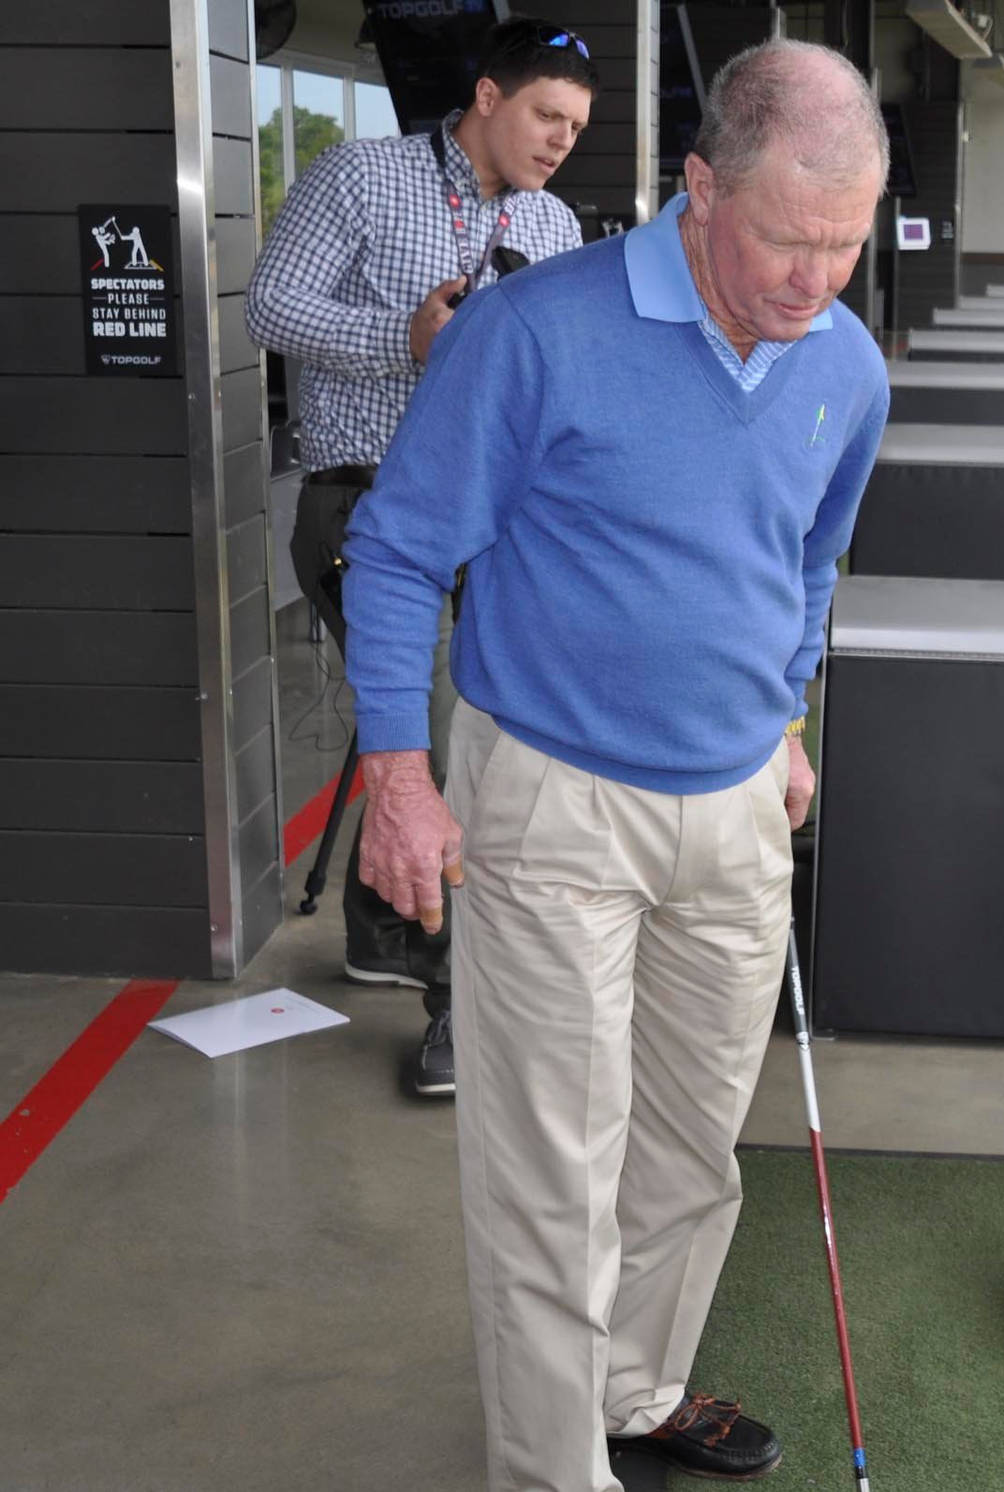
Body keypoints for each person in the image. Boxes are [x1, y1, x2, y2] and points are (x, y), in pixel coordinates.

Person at [341, 39, 889, 1489]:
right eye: (785, 239)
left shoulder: (847, 363)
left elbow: (807, 560)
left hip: (733, 808)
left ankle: (634, 1390)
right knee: (553, 1181)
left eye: (844, 246)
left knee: (691, 1155)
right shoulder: (535, 333)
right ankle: (549, 1470)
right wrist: (399, 776)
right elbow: (395, 550)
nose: (812, 281)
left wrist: (783, 717)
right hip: (552, 800)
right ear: (701, 188)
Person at [244, 19, 595, 1094]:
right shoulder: (361, 174)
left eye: (576, 128)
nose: (559, 144)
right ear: (487, 95)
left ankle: (383, 931)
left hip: (494, 527)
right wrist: (406, 338)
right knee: (447, 745)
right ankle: (459, 1009)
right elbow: (267, 304)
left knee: (477, 735)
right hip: (364, 512)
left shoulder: (554, 221)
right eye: (546, 115)